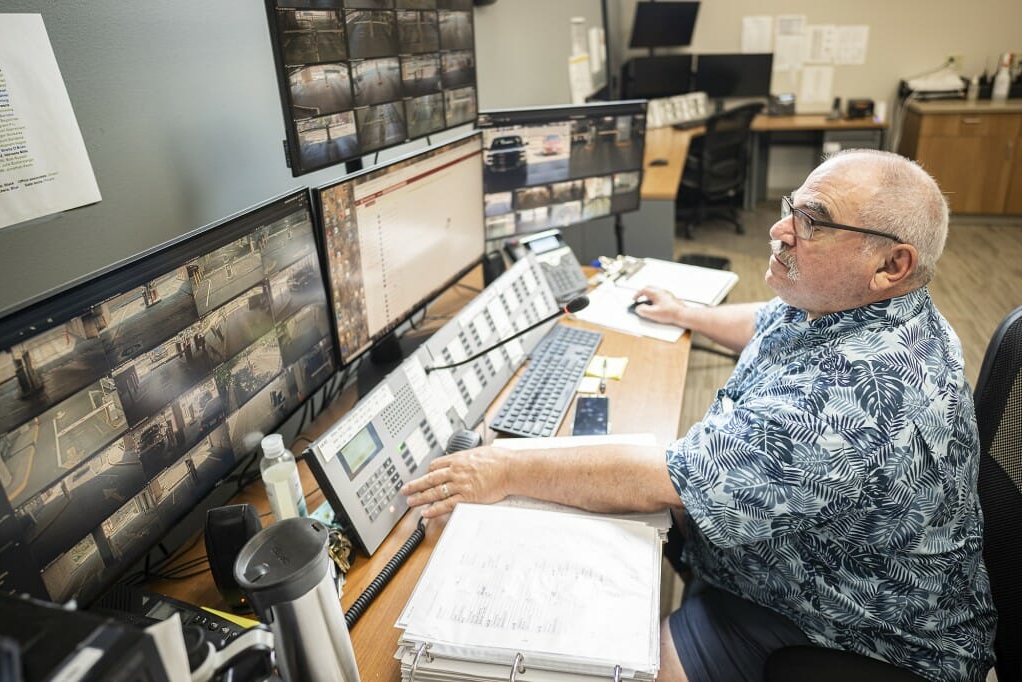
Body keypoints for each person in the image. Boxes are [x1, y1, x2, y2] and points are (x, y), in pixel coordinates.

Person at [401, 149, 996, 682]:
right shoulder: (857, 301)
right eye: (793, 207)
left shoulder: (857, 404)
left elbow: (670, 477)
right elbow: (768, 321)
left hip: (854, 631)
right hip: (792, 564)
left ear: (891, 264)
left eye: (813, 221)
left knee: (614, 658)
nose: (780, 228)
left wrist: (500, 470)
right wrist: (686, 312)